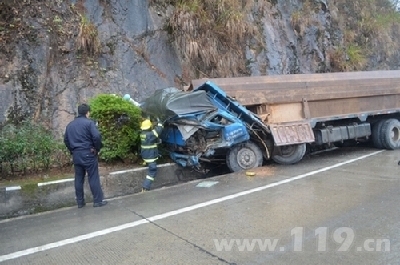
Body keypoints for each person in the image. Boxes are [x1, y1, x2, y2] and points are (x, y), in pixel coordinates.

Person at [64, 103, 108, 208]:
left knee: (79, 178)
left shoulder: (70, 125)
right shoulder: (89, 123)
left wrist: (72, 150)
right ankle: (98, 201)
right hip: (88, 153)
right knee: (93, 176)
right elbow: (96, 137)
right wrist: (97, 148)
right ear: (87, 113)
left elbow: (66, 140)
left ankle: (80, 202)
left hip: (76, 154)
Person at [140, 118, 163, 191]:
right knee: (153, 170)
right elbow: (158, 130)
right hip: (150, 156)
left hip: (145, 155)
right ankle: (146, 186)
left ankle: (145, 163)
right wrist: (159, 122)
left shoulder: (142, 134)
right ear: (149, 127)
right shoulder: (150, 134)